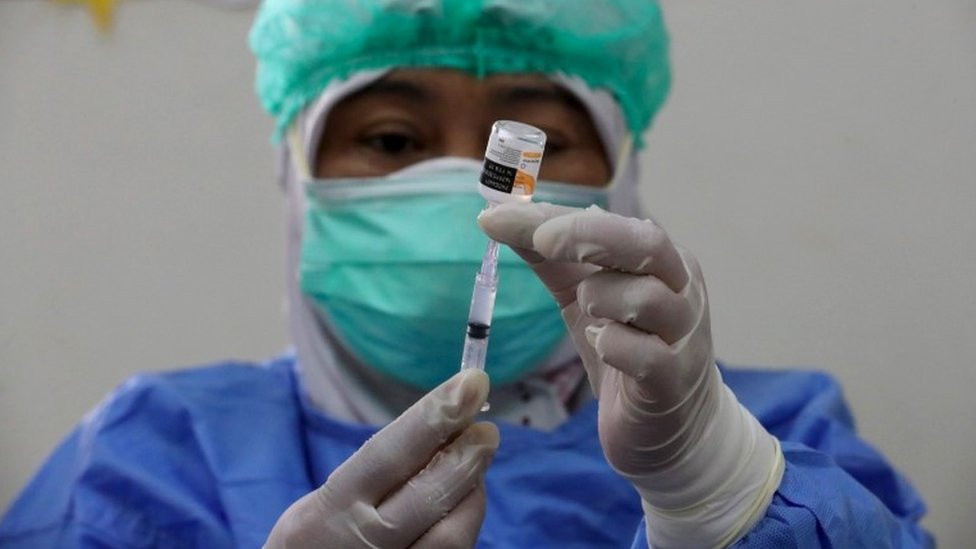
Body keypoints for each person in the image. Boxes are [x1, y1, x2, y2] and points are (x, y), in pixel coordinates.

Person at [1, 1, 933, 547]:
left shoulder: (778, 440)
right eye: (391, 139)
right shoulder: (147, 459)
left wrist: (718, 493)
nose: (460, 184)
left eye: (536, 144)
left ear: (620, 174)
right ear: (297, 179)